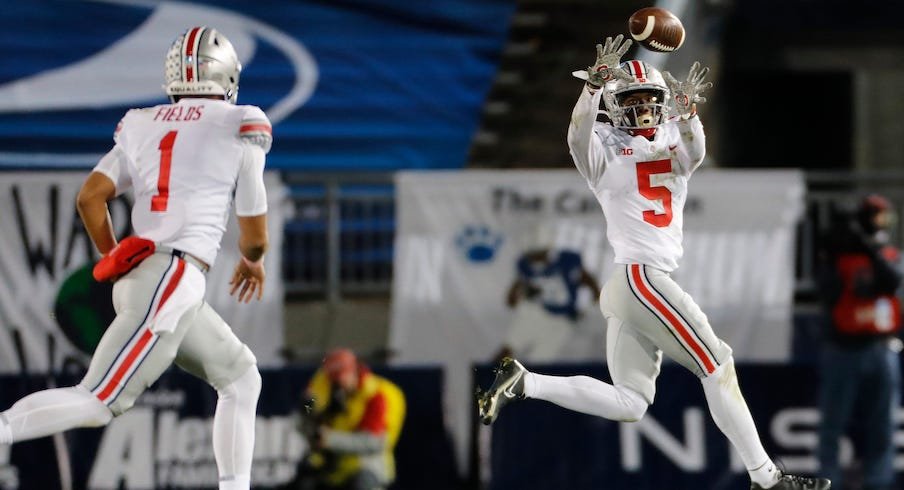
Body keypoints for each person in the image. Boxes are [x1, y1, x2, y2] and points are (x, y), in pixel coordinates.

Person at [476, 35, 832, 490]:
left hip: (632, 285)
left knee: (631, 403)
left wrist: (688, 112)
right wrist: (591, 89)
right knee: (718, 363)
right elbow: (576, 137)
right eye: (632, 99)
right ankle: (767, 479)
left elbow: (695, 152)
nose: (643, 107)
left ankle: (525, 383)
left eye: (650, 99)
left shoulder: (671, 139)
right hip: (641, 277)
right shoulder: (604, 149)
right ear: (615, 103)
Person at [0, 26, 271, 490]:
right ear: (226, 75)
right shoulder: (241, 122)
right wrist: (253, 260)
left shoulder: (143, 123)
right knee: (98, 399)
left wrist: (113, 256)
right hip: (174, 276)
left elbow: (90, 198)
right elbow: (255, 237)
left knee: (241, 377)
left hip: (148, 273)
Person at [816, 194, 902, 490]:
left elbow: (891, 282)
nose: (883, 225)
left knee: (882, 423)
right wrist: (834, 250)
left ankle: (879, 481)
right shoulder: (839, 255)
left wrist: (871, 250)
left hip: (881, 346)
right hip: (843, 348)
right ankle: (829, 480)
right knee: (832, 423)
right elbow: (828, 291)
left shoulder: (886, 254)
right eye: (877, 217)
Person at [289, 348, 406, 490]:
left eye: (342, 377)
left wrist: (329, 439)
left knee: (363, 483)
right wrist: (308, 409)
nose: (338, 384)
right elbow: (304, 414)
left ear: (355, 371)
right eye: (334, 378)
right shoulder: (324, 384)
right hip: (330, 465)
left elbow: (374, 442)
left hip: (364, 466)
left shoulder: (377, 395)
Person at [498, 247, 601, 361]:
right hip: (538, 312)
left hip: (562, 321)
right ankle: (487, 376)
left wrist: (594, 299)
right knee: (508, 350)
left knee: (539, 362)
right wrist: (521, 292)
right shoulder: (526, 266)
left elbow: (587, 280)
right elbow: (512, 298)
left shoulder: (566, 261)